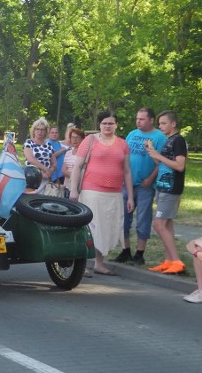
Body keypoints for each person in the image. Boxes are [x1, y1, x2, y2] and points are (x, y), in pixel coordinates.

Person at [68, 110, 134, 275]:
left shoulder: (123, 144)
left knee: (106, 228)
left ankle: (99, 263)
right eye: (104, 123)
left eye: (111, 123)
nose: (107, 126)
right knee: (90, 228)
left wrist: (130, 196)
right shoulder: (90, 141)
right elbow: (77, 166)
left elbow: (127, 171)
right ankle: (80, 264)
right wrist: (74, 190)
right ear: (99, 124)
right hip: (92, 191)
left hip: (114, 193)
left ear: (116, 125)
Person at [114, 108, 166, 266]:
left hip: (144, 185)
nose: (138, 122)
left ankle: (140, 253)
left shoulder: (160, 137)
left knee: (143, 218)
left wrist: (151, 178)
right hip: (127, 184)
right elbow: (124, 156)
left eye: (142, 119)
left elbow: (162, 161)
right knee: (123, 217)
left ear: (151, 120)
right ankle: (125, 250)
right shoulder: (132, 134)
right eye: (137, 119)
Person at [147, 111, 188, 274]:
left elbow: (179, 166)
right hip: (163, 186)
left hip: (171, 188)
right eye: (160, 123)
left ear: (173, 124)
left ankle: (177, 262)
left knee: (158, 224)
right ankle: (169, 261)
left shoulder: (178, 140)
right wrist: (152, 152)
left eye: (164, 123)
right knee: (167, 224)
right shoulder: (169, 140)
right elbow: (162, 162)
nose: (160, 126)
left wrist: (158, 155)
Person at [23, 117, 55, 194]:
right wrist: (45, 170)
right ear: (34, 130)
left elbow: (54, 163)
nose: (39, 132)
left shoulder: (49, 145)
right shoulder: (29, 143)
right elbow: (30, 159)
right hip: (31, 178)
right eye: (37, 129)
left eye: (42, 129)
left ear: (46, 131)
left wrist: (49, 172)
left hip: (46, 179)